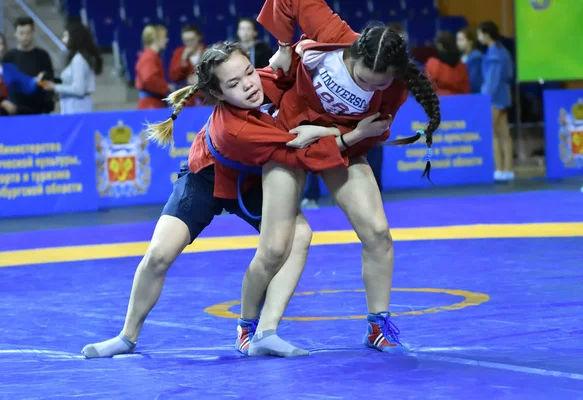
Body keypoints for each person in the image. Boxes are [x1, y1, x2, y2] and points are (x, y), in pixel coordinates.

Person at [80, 42, 381, 359]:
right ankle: (126, 337)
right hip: (206, 177)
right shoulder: (233, 129)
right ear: (219, 94)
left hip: (253, 180)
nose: (249, 85)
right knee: (158, 254)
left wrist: (295, 50)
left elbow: (291, 57)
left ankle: (264, 331)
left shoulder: (264, 80)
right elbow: (300, 145)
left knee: (300, 236)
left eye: (248, 72)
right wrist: (353, 136)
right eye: (234, 84)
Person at [175, 0, 441, 356]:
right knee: (273, 249)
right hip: (289, 140)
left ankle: (378, 326)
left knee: (378, 233)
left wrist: (331, 134)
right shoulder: (334, 36)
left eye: (379, 83)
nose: (369, 87)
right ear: (351, 54)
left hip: (340, 147)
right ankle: (248, 326)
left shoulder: (394, 87)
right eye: (362, 79)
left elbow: (371, 133)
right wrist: (286, 47)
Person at [477, 21, 514, 181]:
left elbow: (492, 81)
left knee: (492, 133)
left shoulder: (493, 54)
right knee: (504, 134)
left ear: (486, 34)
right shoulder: (502, 50)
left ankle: (499, 169)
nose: (478, 37)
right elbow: (509, 74)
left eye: (479, 33)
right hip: (504, 95)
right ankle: (508, 169)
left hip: (495, 98)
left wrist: (484, 96)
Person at [41, 21, 102, 114]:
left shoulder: (79, 60)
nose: (63, 40)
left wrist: (54, 87)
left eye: (66, 36)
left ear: (74, 37)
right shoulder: (76, 59)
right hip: (72, 108)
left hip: (78, 109)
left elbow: (79, 89)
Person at [3, 16, 55, 115]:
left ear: (33, 33)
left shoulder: (42, 55)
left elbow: (49, 81)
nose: (25, 37)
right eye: (21, 33)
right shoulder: (8, 57)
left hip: (39, 109)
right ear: (15, 34)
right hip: (15, 110)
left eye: (28, 33)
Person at [0, 33, 42, 116]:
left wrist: (38, 81)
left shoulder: (10, 69)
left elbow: (26, 83)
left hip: (7, 118)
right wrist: (2, 102)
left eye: (2, 44)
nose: (1, 48)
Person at [135, 24, 173, 109]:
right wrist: (166, 87)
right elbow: (148, 79)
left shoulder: (153, 56)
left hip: (154, 103)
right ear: (156, 39)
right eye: (164, 37)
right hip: (151, 105)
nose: (167, 40)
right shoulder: (149, 57)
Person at [425, 31, 469, 96]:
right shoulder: (462, 66)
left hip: (439, 102)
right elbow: (466, 88)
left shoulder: (432, 64)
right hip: (459, 101)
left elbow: (428, 88)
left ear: (440, 45)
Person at [456, 27, 483, 93]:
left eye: (461, 40)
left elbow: (474, 82)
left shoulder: (476, 57)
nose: (458, 43)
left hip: (474, 97)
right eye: (457, 40)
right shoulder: (461, 57)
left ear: (470, 41)